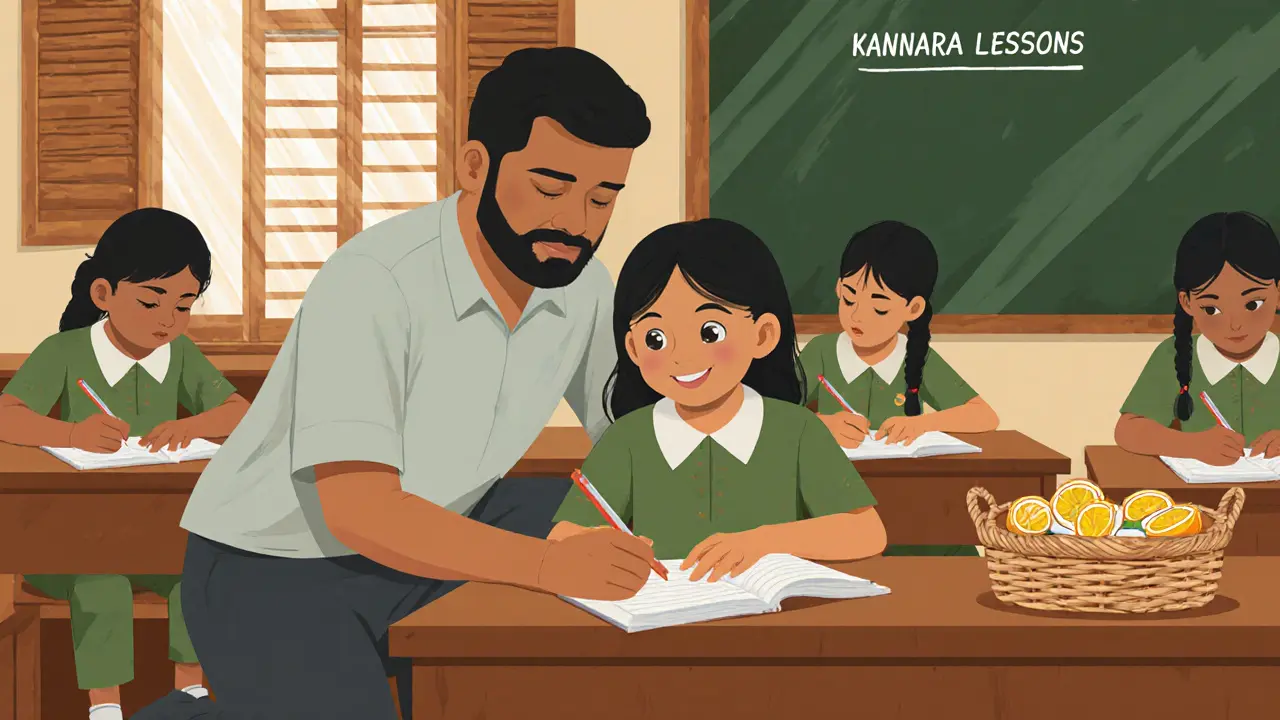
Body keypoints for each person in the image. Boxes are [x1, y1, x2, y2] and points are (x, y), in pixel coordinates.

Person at [131, 47, 658, 720]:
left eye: (603, 197)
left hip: (450, 516)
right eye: (551, 189)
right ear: (475, 166)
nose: (578, 224)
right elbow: (359, 509)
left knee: (598, 523)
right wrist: (551, 565)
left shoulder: (580, 281)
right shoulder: (374, 281)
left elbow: (633, 429)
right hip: (279, 562)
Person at [0, 208, 249, 720]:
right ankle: (106, 708)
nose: (168, 320)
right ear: (103, 295)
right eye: (151, 301)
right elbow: (6, 415)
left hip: (154, 535)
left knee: (193, 580)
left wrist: (192, 426)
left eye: (184, 305)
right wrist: (70, 433)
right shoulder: (65, 352)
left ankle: (190, 697)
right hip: (68, 540)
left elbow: (237, 410)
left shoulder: (179, 355)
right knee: (101, 585)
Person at [549, 219, 886, 578]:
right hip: (662, 619)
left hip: (773, 618)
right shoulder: (628, 439)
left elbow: (866, 532)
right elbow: (561, 538)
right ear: (632, 348)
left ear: (763, 335)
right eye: (656, 338)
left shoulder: (797, 430)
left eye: (710, 332)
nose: (682, 356)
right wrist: (599, 546)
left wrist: (761, 543)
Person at [797, 220, 998, 556]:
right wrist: (820, 424)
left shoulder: (915, 357)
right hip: (836, 503)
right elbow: (769, 414)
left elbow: (985, 416)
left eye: (879, 307)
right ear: (837, 289)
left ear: (913, 309)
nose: (858, 316)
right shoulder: (821, 352)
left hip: (909, 499)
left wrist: (922, 423)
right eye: (849, 300)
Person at [1116, 211, 1280, 463]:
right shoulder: (1174, 354)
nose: (1235, 325)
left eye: (1252, 304)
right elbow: (1128, 429)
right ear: (1187, 302)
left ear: (1278, 292)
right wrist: (1191, 445)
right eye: (1212, 309)